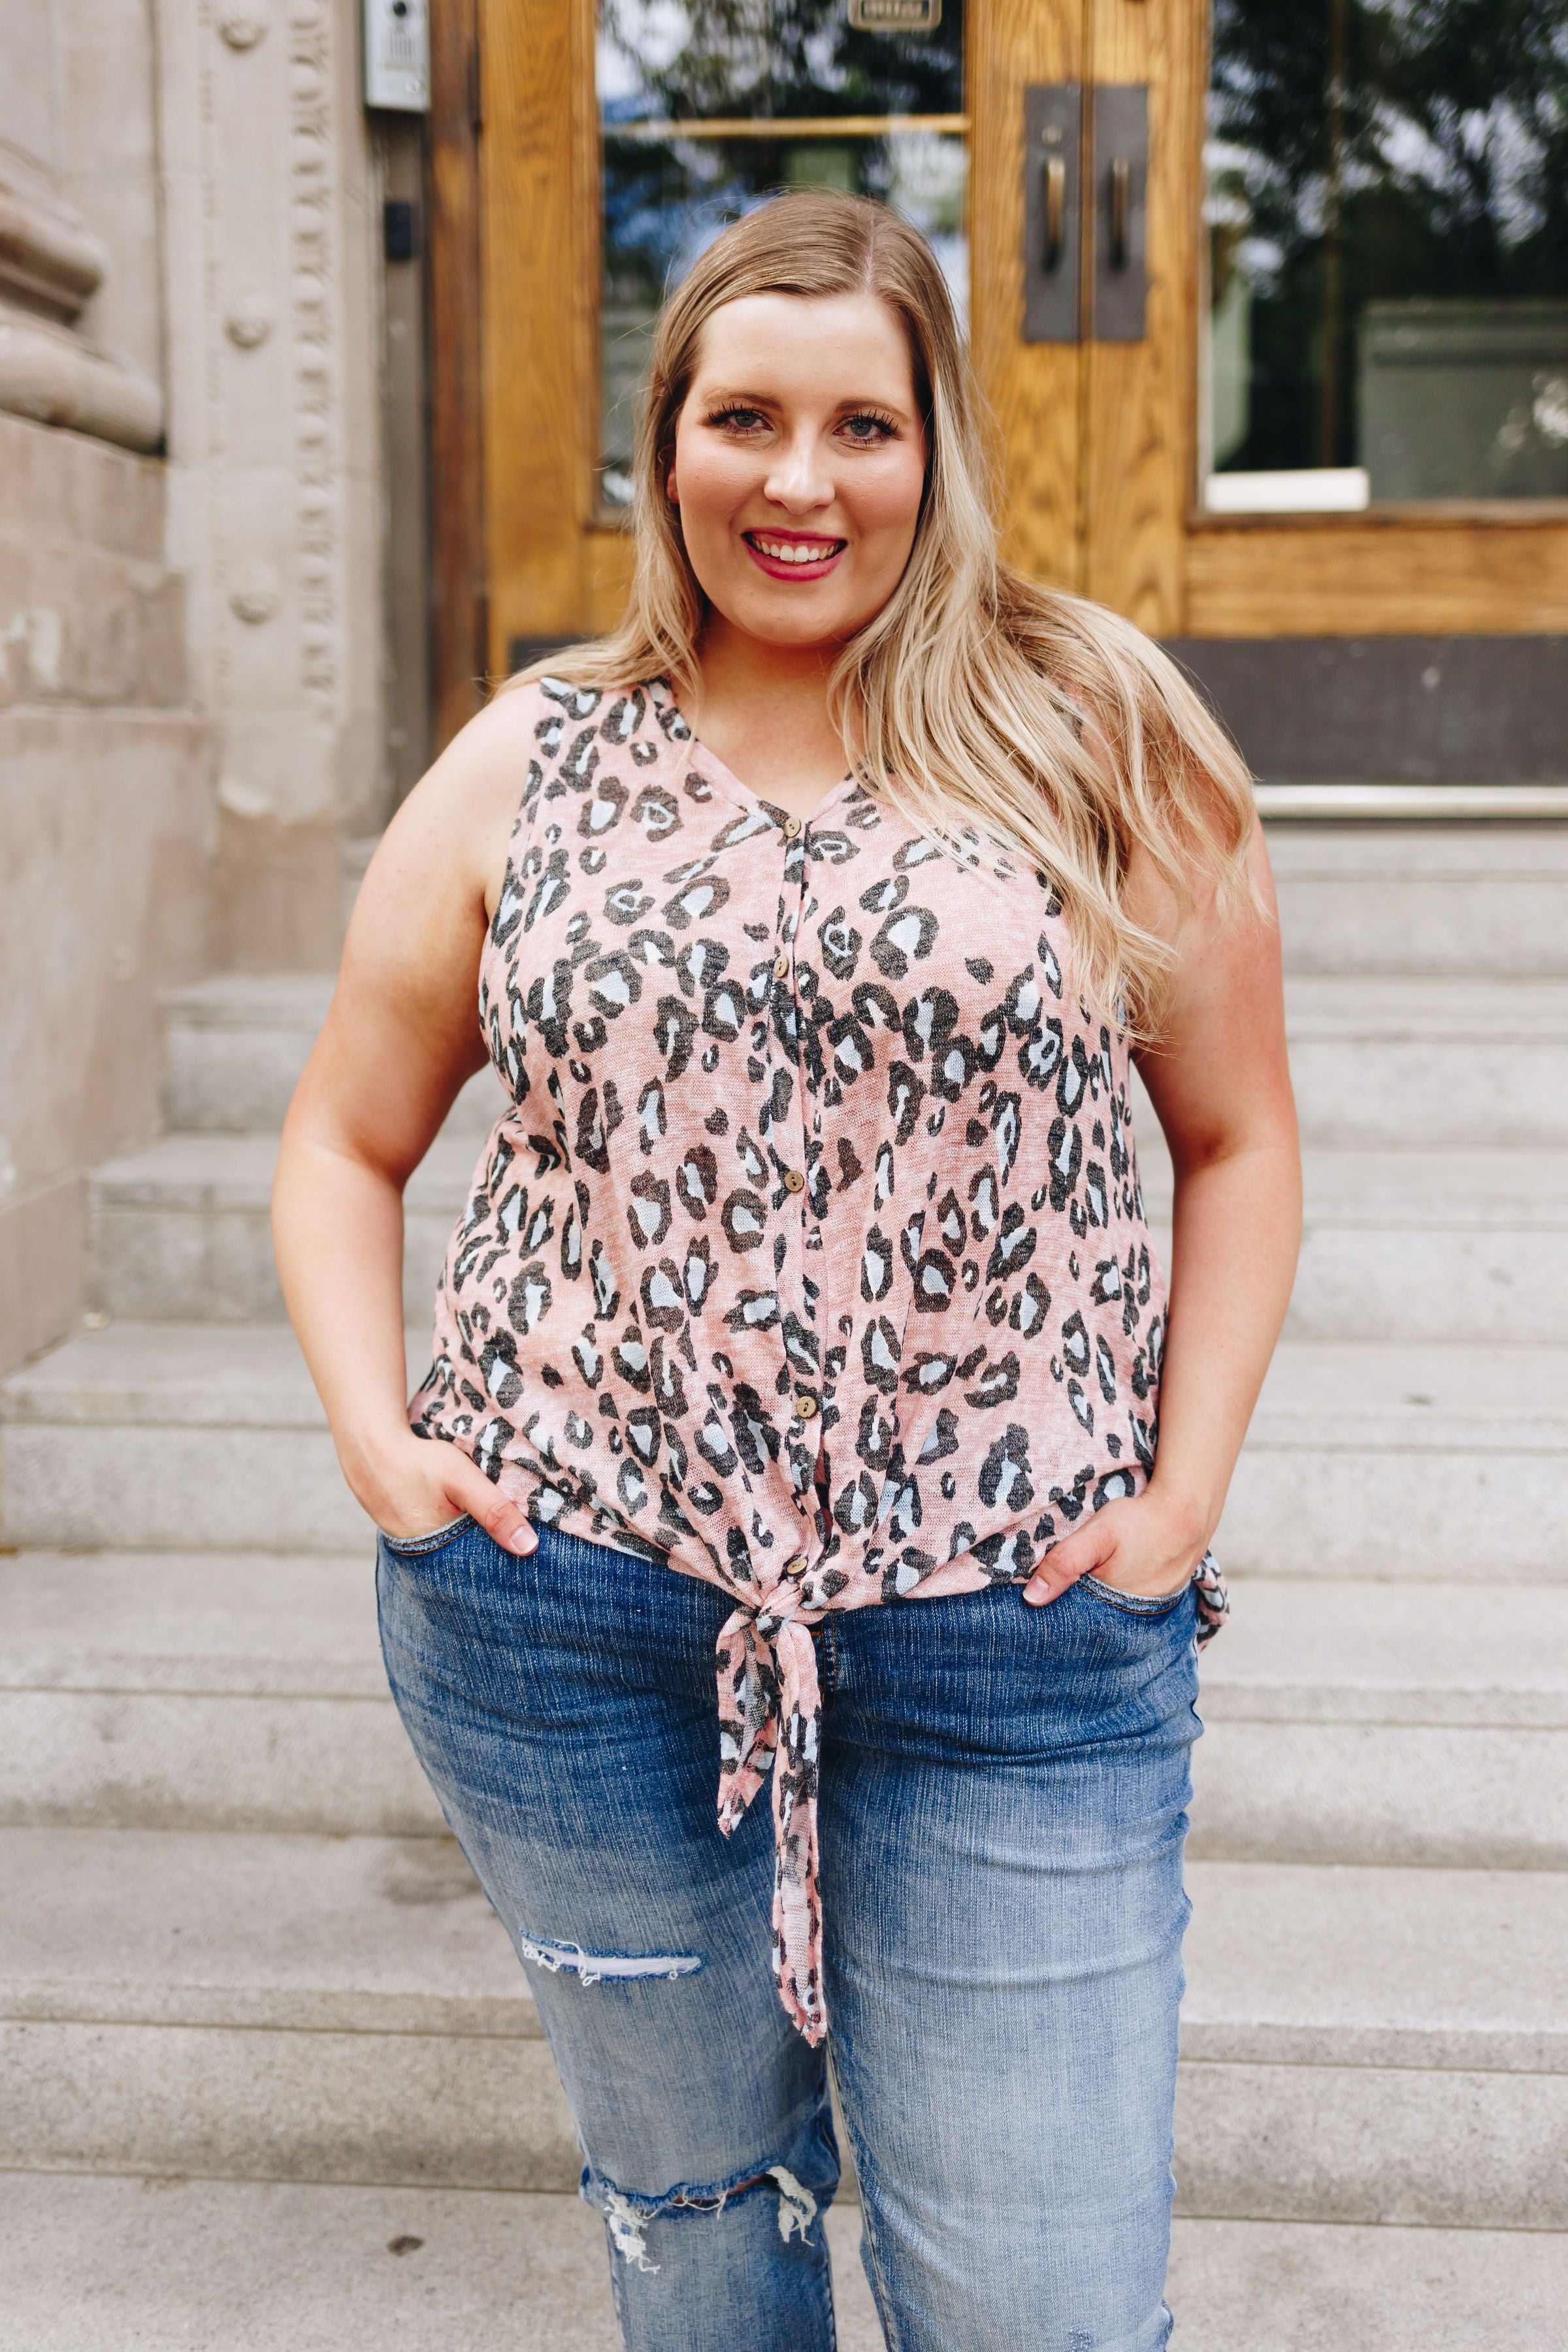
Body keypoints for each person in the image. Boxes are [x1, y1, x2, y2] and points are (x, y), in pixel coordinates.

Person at [272, 190, 1301, 2352]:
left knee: (1043, 2306)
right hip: (581, 1620)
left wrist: (1180, 1502)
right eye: (745, 418)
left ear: (940, 446)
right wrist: (385, 1445)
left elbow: (1237, 1134)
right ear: (666, 446)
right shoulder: (530, 762)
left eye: (864, 424)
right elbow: (346, 1139)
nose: (801, 483)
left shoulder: (1090, 727)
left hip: (1015, 1637)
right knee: (699, 2220)